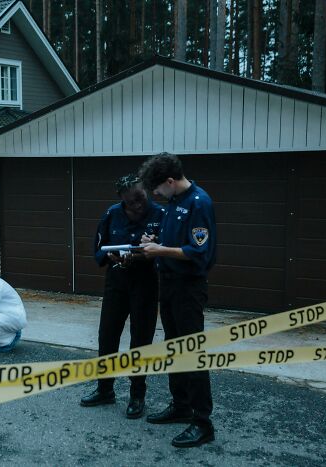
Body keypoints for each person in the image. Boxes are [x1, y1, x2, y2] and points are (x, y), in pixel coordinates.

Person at [138, 152, 217, 448]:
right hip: (168, 284)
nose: (155, 196)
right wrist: (153, 245)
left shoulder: (199, 203)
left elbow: (198, 253)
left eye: (157, 190)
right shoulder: (173, 203)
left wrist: (160, 251)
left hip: (188, 287)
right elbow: (172, 243)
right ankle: (181, 406)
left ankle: (202, 422)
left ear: (170, 181)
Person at [80, 174, 164, 420]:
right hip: (116, 281)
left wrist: (146, 253)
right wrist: (111, 256)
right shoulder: (111, 214)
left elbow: (169, 250)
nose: (138, 205)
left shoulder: (160, 214)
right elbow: (99, 247)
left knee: (141, 339)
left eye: (140, 198)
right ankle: (105, 389)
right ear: (122, 201)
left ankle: (137, 395)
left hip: (146, 283)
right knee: (107, 335)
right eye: (131, 202)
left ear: (145, 192)